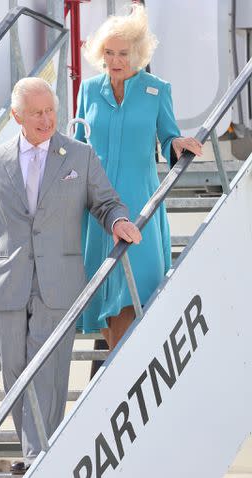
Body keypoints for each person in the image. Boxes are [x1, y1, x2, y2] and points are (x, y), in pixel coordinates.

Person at [0, 77, 142, 475]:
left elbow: (106, 201)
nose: (47, 120)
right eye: (36, 113)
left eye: (51, 111)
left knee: (48, 370)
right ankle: (38, 449)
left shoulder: (78, 156)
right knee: (15, 370)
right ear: (17, 116)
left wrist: (117, 221)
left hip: (59, 281)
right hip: (4, 282)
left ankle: (37, 459)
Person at [75, 5, 202, 350]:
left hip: (139, 206)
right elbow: (78, 148)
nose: (116, 60)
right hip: (98, 212)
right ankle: (114, 377)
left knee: (133, 297)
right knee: (104, 305)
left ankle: (116, 376)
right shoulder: (88, 91)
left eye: (124, 53)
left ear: (138, 54)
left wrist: (177, 142)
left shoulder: (156, 90)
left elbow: (167, 137)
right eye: (109, 53)